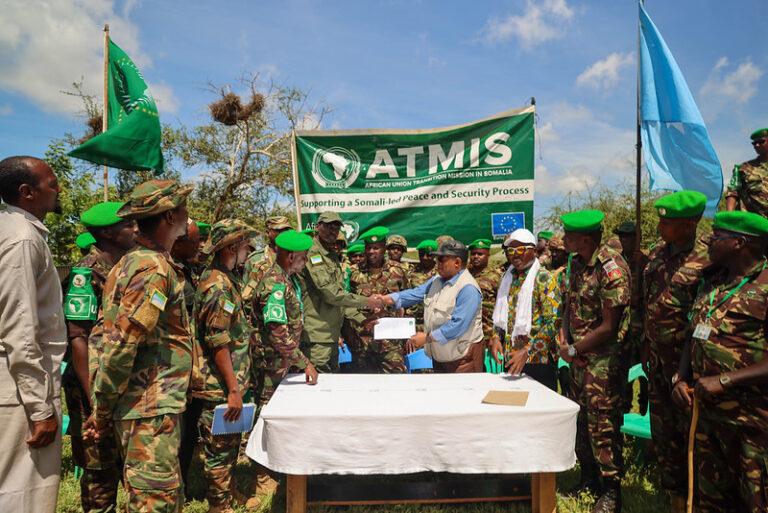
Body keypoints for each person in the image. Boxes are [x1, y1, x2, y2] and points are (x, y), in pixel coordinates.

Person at [84, 179, 194, 512]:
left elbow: (103, 338)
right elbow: (120, 344)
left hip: (147, 407)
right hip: (148, 410)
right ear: (171, 215)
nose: (190, 216)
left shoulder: (136, 262)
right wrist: (101, 410)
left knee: (161, 499)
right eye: (185, 208)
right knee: (153, 503)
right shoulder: (151, 268)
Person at [671, 211, 768, 513]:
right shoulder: (712, 282)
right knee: (711, 500)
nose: (709, 240)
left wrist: (724, 380)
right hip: (707, 416)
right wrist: (680, 377)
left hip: (751, 421)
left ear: (740, 242)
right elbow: (693, 334)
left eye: (717, 236)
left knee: (756, 502)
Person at [0, 156, 66, 511]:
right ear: (27, 192)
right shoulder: (23, 239)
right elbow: (19, 328)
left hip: (17, 384)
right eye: (52, 184)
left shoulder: (11, 229)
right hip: (20, 392)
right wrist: (40, 409)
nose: (58, 191)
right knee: (22, 492)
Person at [62, 201, 137, 513]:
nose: (136, 229)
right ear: (107, 232)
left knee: (125, 463)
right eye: (129, 224)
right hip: (88, 388)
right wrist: (95, 396)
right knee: (99, 470)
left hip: (117, 384)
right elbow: (77, 337)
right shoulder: (86, 274)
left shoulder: (123, 270)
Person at [642, 191, 710, 510]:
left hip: (689, 367)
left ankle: (697, 502)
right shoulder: (658, 253)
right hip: (656, 361)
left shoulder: (709, 258)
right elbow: (648, 301)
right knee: (664, 435)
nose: (660, 226)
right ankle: (675, 499)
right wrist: (645, 344)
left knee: (692, 439)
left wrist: (688, 372)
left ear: (691, 223)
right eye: (660, 219)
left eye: (667, 222)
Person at [558, 209, 630, 513]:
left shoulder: (610, 267)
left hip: (602, 361)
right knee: (580, 420)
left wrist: (574, 349)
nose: (563, 240)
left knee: (602, 424)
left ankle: (611, 490)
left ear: (586, 239)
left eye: (569, 236)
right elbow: (568, 305)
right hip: (576, 357)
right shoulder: (576, 263)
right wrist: (564, 340)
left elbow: (609, 326)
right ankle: (588, 478)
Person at [190, 219, 260, 512]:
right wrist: (233, 388)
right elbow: (218, 341)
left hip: (230, 382)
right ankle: (219, 506)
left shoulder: (226, 279)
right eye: (245, 245)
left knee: (229, 444)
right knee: (219, 447)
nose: (248, 251)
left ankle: (228, 494)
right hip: (219, 385)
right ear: (231, 247)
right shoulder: (218, 285)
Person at [251, 230, 319, 496]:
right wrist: (305, 363)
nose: (305, 262)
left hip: (281, 362)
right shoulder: (275, 285)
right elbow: (277, 332)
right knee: (266, 416)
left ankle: (275, 466)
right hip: (270, 363)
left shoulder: (287, 279)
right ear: (291, 256)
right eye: (302, 258)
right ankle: (260, 474)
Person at [297, 211, 383, 373]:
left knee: (329, 387)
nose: (333, 231)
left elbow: (340, 297)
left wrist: (362, 319)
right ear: (317, 227)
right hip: (317, 337)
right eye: (328, 227)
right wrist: (367, 301)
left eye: (336, 228)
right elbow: (330, 294)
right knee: (318, 388)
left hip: (330, 336)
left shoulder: (331, 255)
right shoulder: (313, 253)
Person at [379, 240, 483, 373]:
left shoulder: (468, 288)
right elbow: (416, 293)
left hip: (463, 362)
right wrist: (385, 299)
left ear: (457, 262)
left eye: (441, 259)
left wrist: (427, 338)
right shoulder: (438, 280)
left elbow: (458, 325)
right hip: (440, 359)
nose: (437, 263)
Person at [488, 229, 560, 390]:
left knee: (541, 411)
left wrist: (528, 350)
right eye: (511, 250)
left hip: (539, 361)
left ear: (533, 251)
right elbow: (502, 314)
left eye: (520, 249)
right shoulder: (507, 278)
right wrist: (496, 337)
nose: (514, 255)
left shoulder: (544, 278)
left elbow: (554, 322)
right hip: (512, 358)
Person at [348, 227, 410, 373]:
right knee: (365, 388)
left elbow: (406, 301)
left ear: (384, 248)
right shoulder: (354, 273)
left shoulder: (398, 271)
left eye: (376, 248)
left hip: (392, 343)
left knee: (395, 385)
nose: (371, 252)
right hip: (363, 343)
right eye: (368, 248)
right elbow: (346, 304)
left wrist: (407, 334)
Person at [613, 221, 649, 413]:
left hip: (643, 329)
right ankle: (623, 418)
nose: (625, 240)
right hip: (622, 329)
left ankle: (645, 415)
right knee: (623, 375)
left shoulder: (647, 262)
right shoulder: (616, 262)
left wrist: (645, 267)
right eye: (622, 236)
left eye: (629, 236)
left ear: (638, 238)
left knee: (645, 375)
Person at [725, 128, 768, 216]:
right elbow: (732, 193)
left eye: (761, 142)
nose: (756, 145)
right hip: (752, 222)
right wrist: (729, 219)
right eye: (754, 143)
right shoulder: (743, 168)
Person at [467, 238, 501, 346]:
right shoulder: (464, 275)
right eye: (473, 254)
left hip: (488, 334)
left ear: (488, 256)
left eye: (480, 254)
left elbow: (503, 307)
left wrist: (496, 335)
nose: (476, 257)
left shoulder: (496, 277)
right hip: (467, 335)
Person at [408, 239, 438, 330]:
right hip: (415, 321)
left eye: (429, 255)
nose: (425, 257)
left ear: (435, 255)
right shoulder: (411, 272)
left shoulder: (442, 272)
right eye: (421, 254)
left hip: (436, 322)